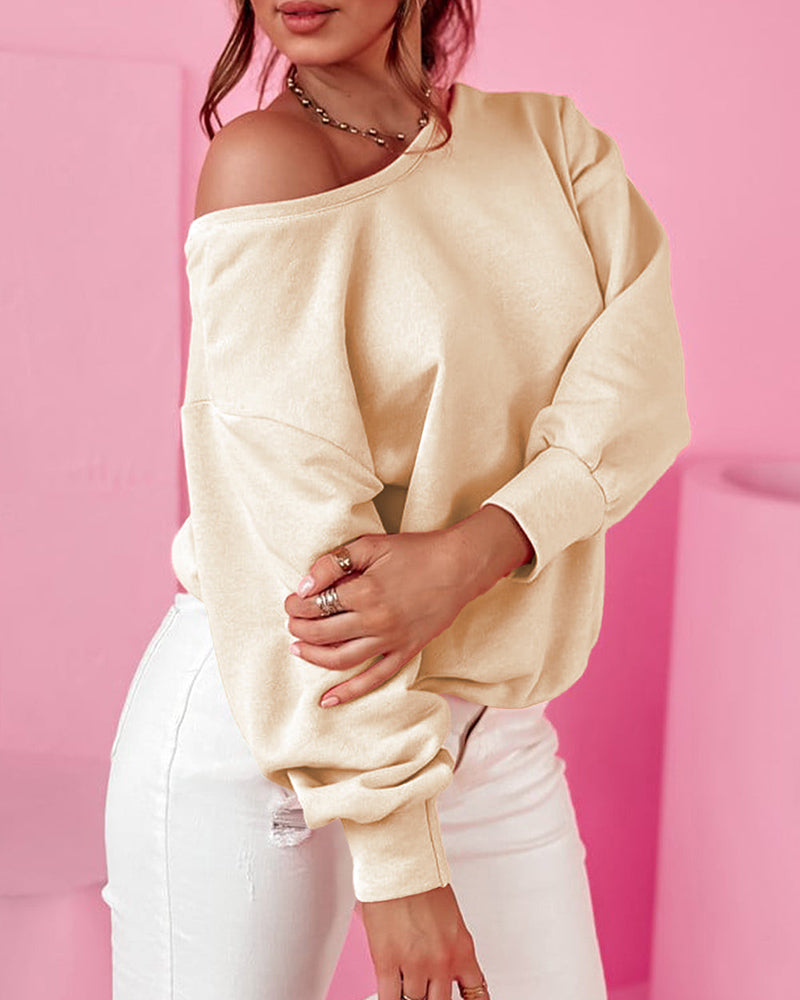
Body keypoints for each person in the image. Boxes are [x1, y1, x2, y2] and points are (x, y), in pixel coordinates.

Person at [101, 1, 692, 998]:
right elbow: (296, 529)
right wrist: (398, 860)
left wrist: (480, 547)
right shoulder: (262, 164)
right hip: (276, 716)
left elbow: (640, 391)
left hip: (488, 724)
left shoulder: (551, 144)